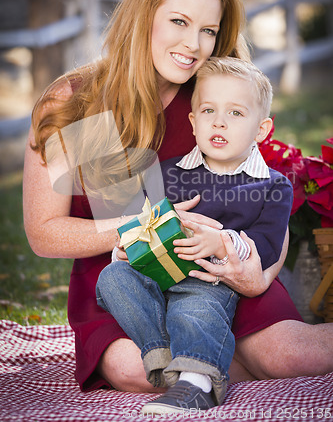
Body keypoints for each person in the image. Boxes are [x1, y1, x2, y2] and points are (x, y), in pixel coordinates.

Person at [23, 0, 333, 397]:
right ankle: (211, 367)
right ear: (143, 17)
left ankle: (211, 365)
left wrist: (259, 275)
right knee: (136, 370)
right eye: (179, 22)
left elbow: (266, 192)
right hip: (125, 280)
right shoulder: (78, 104)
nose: (194, 44)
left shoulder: (212, 100)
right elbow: (44, 232)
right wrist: (147, 224)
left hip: (212, 271)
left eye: (208, 30)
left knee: (288, 355)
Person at [95, 56, 294, 414]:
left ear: (261, 130)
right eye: (208, 110)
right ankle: (163, 355)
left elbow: (266, 245)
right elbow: (146, 221)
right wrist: (128, 246)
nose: (219, 121)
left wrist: (222, 242)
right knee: (113, 278)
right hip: (157, 272)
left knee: (194, 304)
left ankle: (197, 385)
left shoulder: (273, 186)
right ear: (193, 121)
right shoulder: (168, 173)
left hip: (209, 277)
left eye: (236, 113)